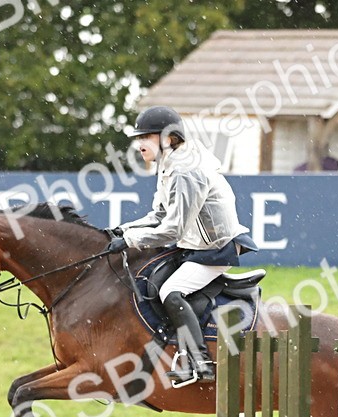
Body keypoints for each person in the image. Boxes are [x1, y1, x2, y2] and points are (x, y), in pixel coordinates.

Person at [106, 106, 256, 385]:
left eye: (146, 138)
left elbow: (172, 229)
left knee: (171, 292)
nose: (139, 145)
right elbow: (160, 215)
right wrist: (122, 229)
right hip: (195, 244)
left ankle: (200, 363)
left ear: (168, 138)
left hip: (215, 247)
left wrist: (129, 241)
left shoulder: (185, 170)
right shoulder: (169, 163)